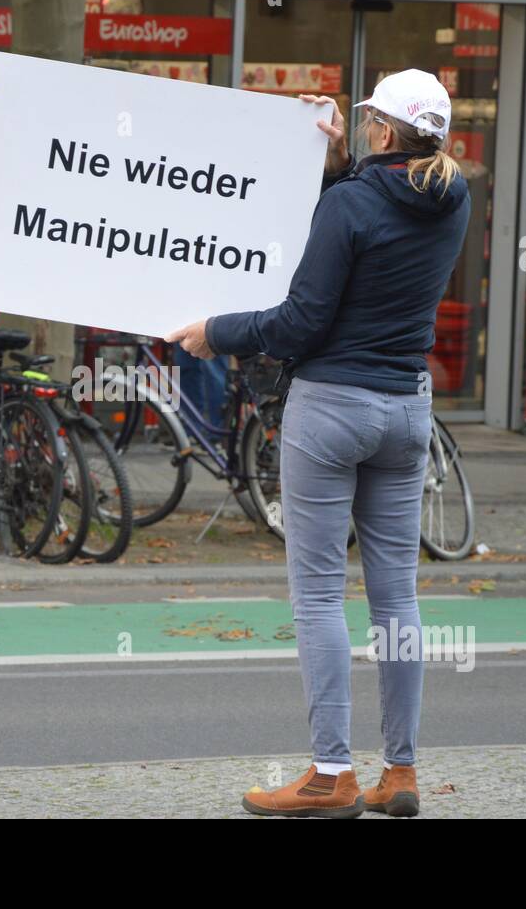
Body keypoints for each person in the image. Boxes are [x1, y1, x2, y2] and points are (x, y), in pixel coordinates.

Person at [168, 69, 470, 818]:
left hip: (332, 408)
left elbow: (300, 321)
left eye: (369, 121)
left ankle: (331, 773)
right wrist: (337, 160)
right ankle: (399, 772)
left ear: (383, 131)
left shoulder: (350, 204)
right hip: (407, 410)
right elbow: (379, 217)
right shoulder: (455, 196)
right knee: (396, 596)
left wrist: (217, 332)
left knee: (317, 594)